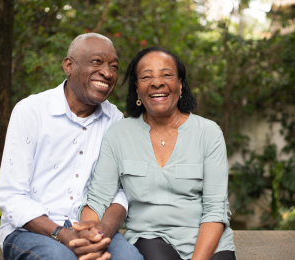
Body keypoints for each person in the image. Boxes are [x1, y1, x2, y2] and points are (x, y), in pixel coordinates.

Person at [77, 46, 236, 260]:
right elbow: (98, 199)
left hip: (208, 240)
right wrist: (89, 235)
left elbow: (215, 208)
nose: (157, 82)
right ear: (137, 89)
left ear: (180, 85)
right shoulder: (119, 134)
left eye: (167, 75)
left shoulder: (208, 133)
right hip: (151, 238)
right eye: (146, 76)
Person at [0, 33, 144, 260]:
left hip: (91, 227)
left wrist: (99, 234)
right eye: (97, 62)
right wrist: (64, 235)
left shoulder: (114, 119)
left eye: (114, 66)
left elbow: (120, 191)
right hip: (29, 230)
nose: (107, 72)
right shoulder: (32, 111)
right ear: (68, 65)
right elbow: (11, 196)